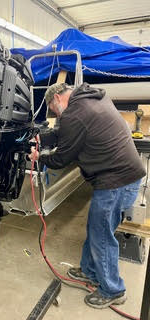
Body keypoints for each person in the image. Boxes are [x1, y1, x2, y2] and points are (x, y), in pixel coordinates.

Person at [29, 82, 146, 309]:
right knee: (98, 229)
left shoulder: (75, 114)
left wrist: (39, 156)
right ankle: (90, 271)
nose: (56, 114)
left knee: (101, 235)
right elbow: (65, 132)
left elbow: (62, 158)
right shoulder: (93, 99)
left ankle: (113, 290)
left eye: (54, 109)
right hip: (126, 177)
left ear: (58, 100)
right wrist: (43, 138)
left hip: (115, 181)